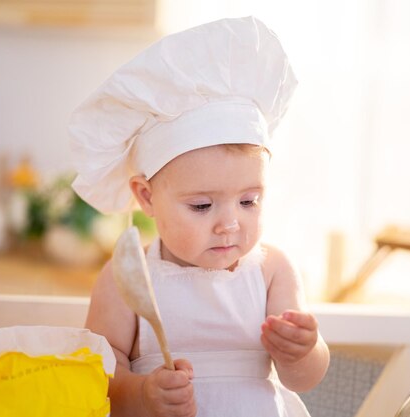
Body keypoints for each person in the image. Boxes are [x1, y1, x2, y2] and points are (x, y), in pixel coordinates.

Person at [69, 16, 330, 417]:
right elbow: (97, 375)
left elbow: (302, 379)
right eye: (202, 206)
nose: (230, 224)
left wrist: (303, 351)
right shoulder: (129, 276)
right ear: (147, 197)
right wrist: (141, 395)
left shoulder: (272, 270)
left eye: (249, 201)